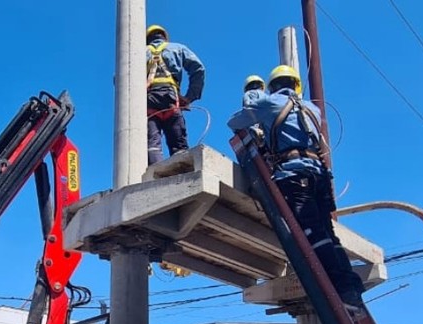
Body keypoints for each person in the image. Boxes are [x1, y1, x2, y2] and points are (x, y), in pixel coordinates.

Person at [228, 65, 365, 307]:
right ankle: (351, 285)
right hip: (320, 177)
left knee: (312, 233)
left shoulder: (270, 103)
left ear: (272, 86)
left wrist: (254, 95)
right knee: (328, 234)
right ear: (296, 85)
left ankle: (341, 289)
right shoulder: (313, 109)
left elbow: (235, 122)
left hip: (293, 175)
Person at [146, 24, 205, 165]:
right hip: (171, 100)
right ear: (164, 37)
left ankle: (154, 173)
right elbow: (198, 69)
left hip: (148, 102)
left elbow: (120, 79)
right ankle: (181, 170)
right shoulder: (177, 48)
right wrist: (189, 97)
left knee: (152, 145)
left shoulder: (137, 52)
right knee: (179, 146)